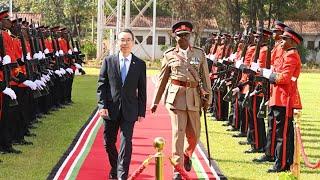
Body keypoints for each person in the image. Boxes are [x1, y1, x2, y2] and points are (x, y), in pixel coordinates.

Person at [150, 20, 212, 180]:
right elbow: (163, 79)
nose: (183, 38)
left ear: (190, 36)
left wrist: (208, 99)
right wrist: (155, 101)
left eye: (186, 35)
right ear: (175, 37)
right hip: (176, 98)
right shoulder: (169, 55)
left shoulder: (199, 54)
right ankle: (177, 168)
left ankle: (187, 153)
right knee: (178, 132)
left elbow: (206, 78)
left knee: (195, 134)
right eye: (180, 35)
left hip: (194, 98)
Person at [97, 29, 146, 180]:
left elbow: (142, 89)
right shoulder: (108, 61)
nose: (125, 43)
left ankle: (121, 175)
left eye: (128, 40)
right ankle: (115, 167)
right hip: (110, 110)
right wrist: (102, 105)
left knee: (126, 142)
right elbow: (102, 85)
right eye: (122, 40)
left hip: (130, 110)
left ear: (133, 42)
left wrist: (141, 111)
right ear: (117, 42)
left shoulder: (139, 64)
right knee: (108, 143)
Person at [259, 27, 303, 173]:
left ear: (292, 41)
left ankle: (281, 163)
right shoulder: (286, 54)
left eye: (284, 39)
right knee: (280, 132)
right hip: (278, 97)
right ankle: (282, 160)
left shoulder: (291, 56)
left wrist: (269, 76)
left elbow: (284, 78)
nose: (281, 41)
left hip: (284, 99)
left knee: (282, 134)